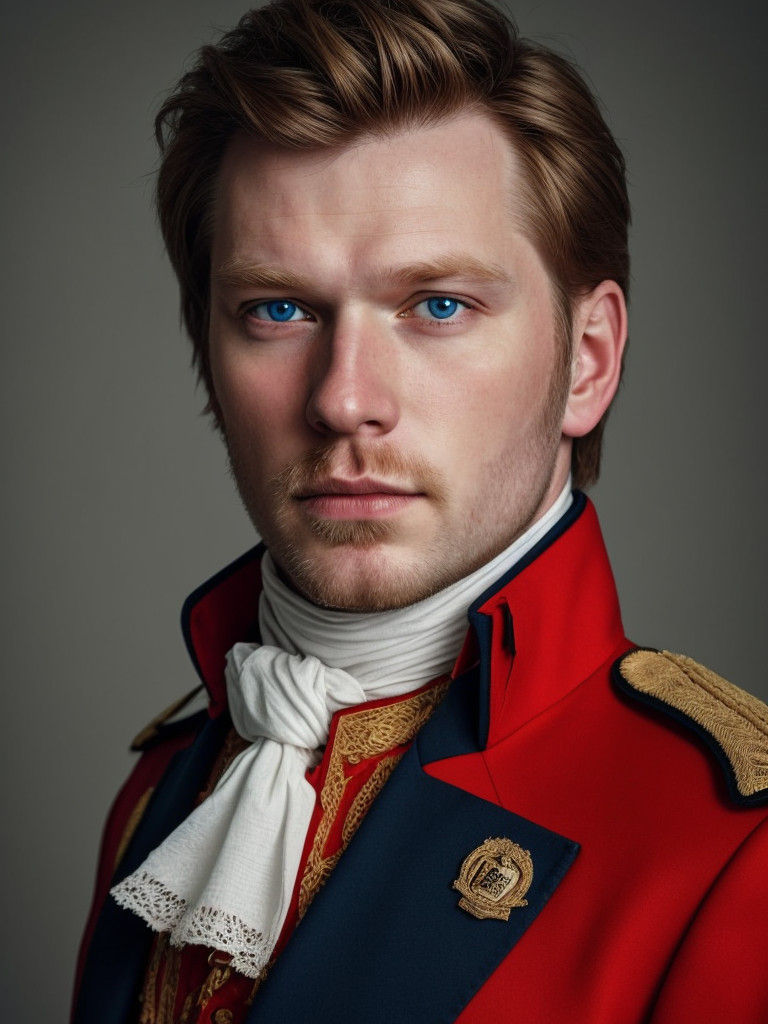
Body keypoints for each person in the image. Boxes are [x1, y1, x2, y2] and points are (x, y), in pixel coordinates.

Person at [71, 0, 768, 1021]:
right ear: (208, 357)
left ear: (587, 361)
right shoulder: (163, 791)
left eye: (439, 305)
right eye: (278, 310)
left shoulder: (737, 846)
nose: (344, 398)